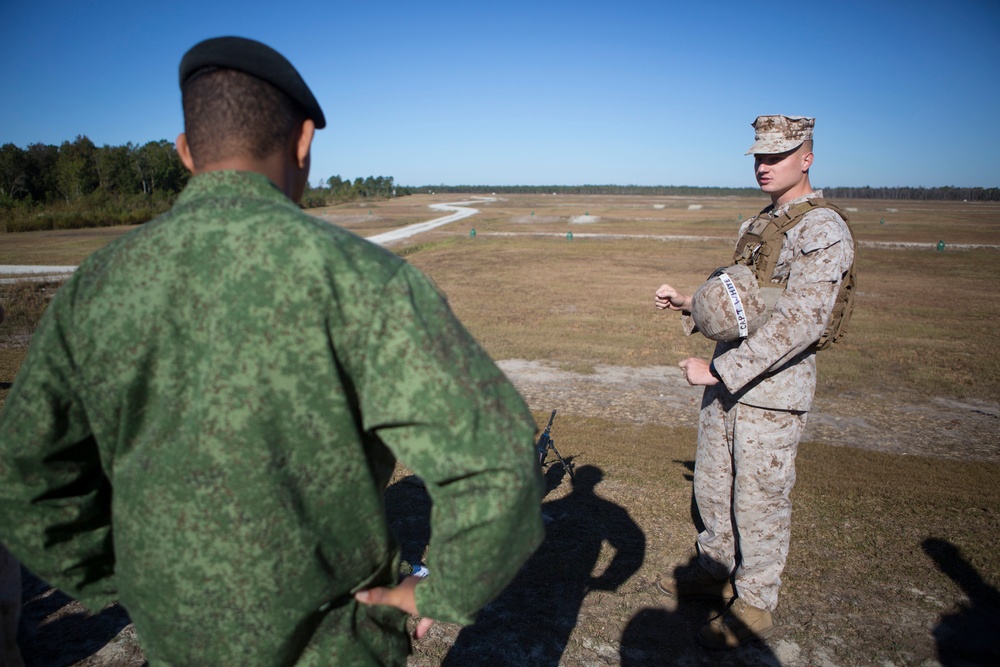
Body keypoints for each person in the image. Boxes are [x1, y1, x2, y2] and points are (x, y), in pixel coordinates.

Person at [0, 36, 544, 666]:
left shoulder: (96, 287)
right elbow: (499, 465)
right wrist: (436, 592)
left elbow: (26, 477)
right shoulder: (366, 283)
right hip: (338, 644)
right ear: (305, 141)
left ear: (184, 153)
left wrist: (130, 583)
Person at [654, 115, 855, 649]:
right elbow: (740, 305)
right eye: (759, 157)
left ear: (806, 158)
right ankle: (715, 571)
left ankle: (756, 603)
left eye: (777, 157)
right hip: (725, 387)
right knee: (714, 488)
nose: (764, 167)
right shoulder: (759, 225)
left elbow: (801, 322)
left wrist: (720, 369)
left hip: (772, 390)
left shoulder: (823, 229)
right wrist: (691, 306)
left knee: (760, 498)